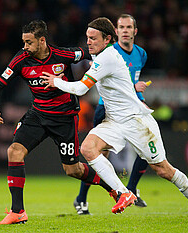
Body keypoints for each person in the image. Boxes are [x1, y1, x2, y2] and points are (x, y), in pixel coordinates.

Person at [42, 17, 188, 222]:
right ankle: (124, 192)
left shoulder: (107, 57)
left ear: (107, 39)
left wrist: (56, 81)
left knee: (163, 170)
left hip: (136, 121)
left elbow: (80, 88)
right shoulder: (102, 55)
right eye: (87, 38)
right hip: (114, 121)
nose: (88, 42)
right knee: (88, 148)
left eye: (93, 38)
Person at [0, 20, 119, 225]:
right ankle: (17, 211)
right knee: (14, 151)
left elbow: (91, 54)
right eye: (24, 42)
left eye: (29, 42)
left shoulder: (63, 55)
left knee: (73, 170)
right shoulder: (21, 59)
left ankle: (113, 188)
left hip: (64, 118)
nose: (25, 47)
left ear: (42, 41)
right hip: (37, 115)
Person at [74, 14, 149, 215]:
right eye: (121, 27)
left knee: (147, 151)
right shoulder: (107, 52)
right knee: (99, 155)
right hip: (106, 108)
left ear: (135, 31)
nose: (125, 30)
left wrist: (137, 90)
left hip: (132, 106)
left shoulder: (141, 54)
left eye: (128, 27)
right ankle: (81, 198)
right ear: (114, 32)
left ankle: (131, 189)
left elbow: (126, 82)